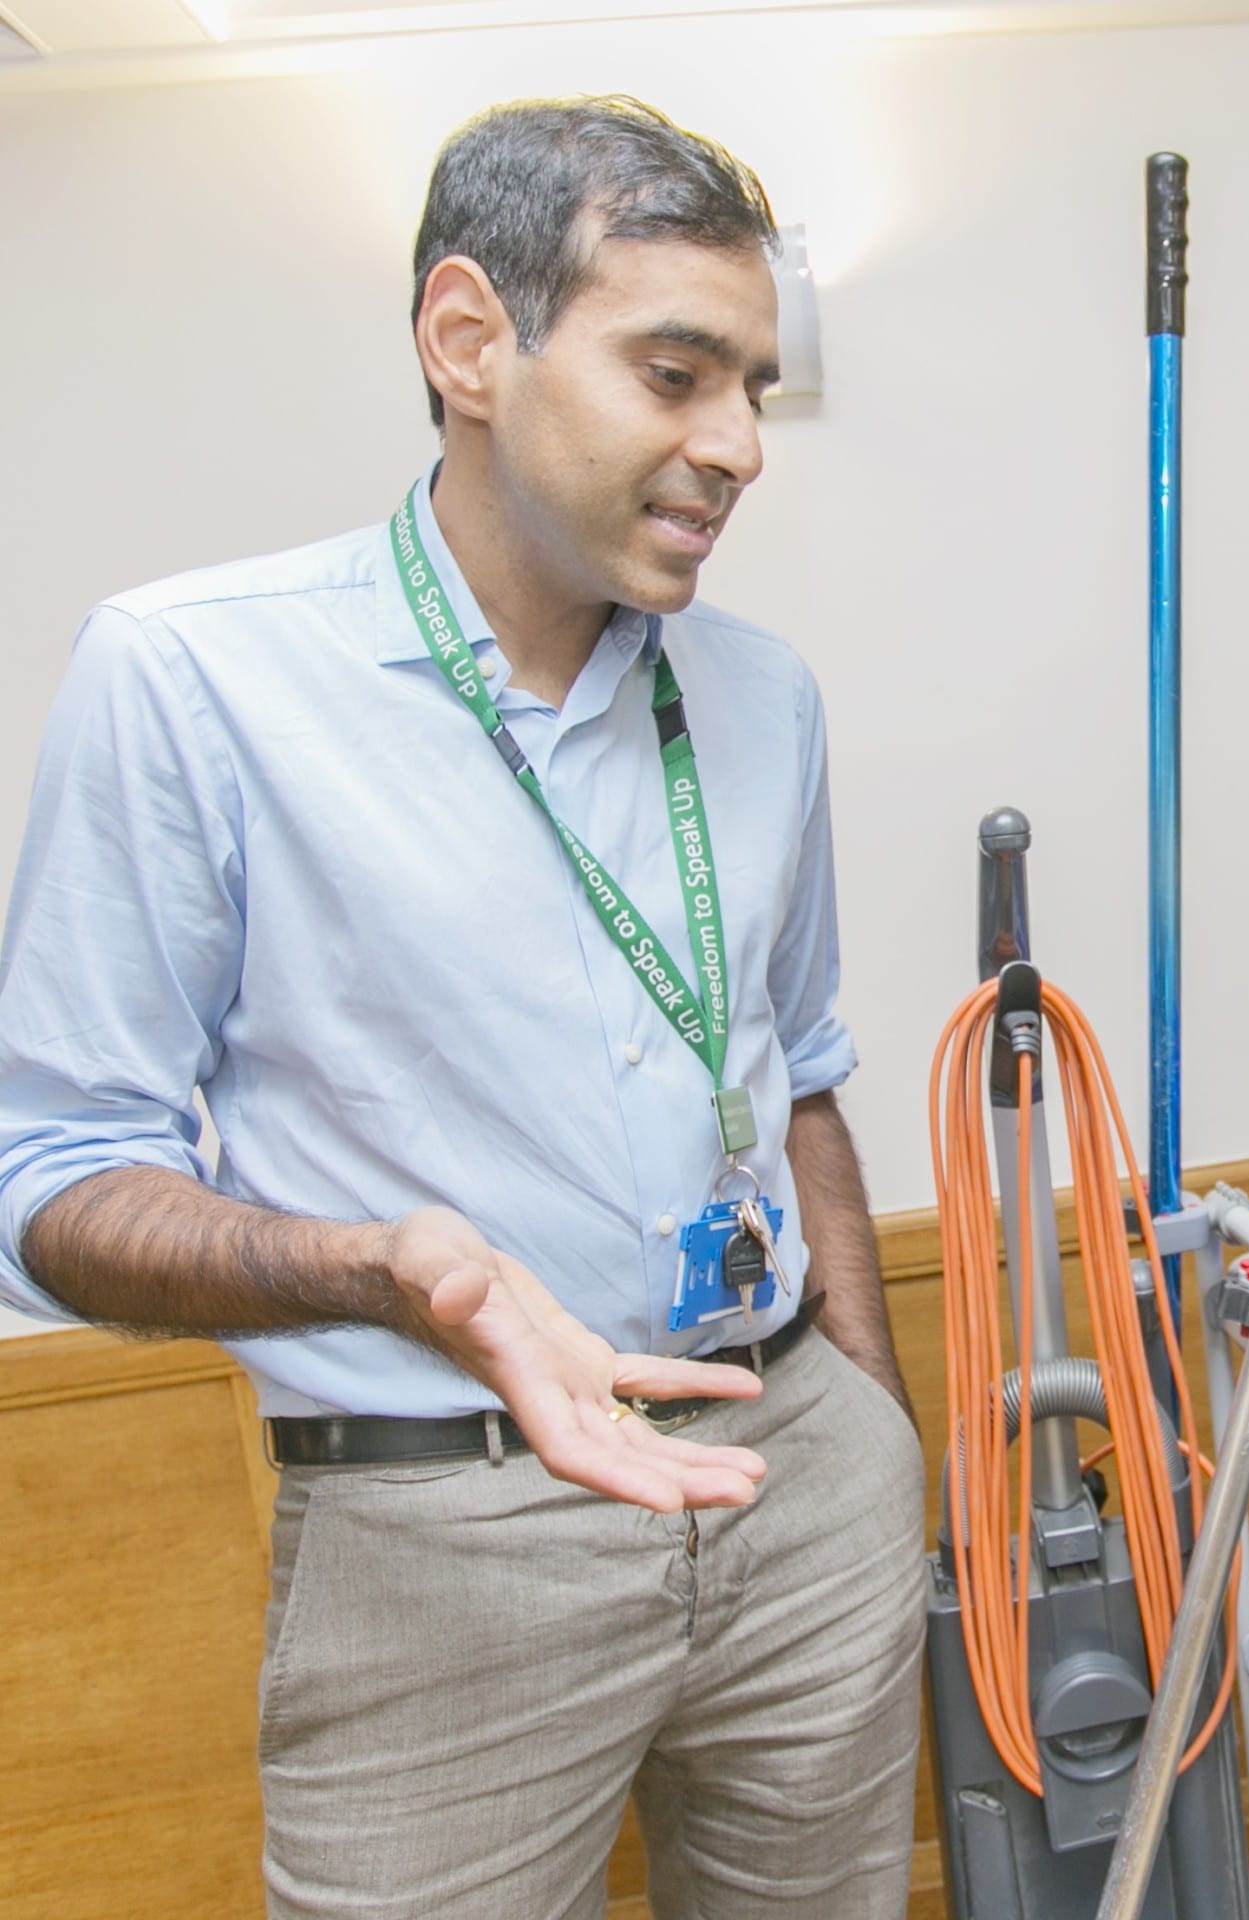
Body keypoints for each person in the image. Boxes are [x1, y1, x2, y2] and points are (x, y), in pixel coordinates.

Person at [0, 98, 925, 1918]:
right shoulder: (192, 679)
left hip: (795, 1475)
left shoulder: (762, 699)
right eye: (677, 372)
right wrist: (388, 1273)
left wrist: (874, 1450)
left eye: (752, 381)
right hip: (446, 1532)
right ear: (468, 341)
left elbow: (800, 1080)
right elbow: (51, 1178)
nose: (739, 444)